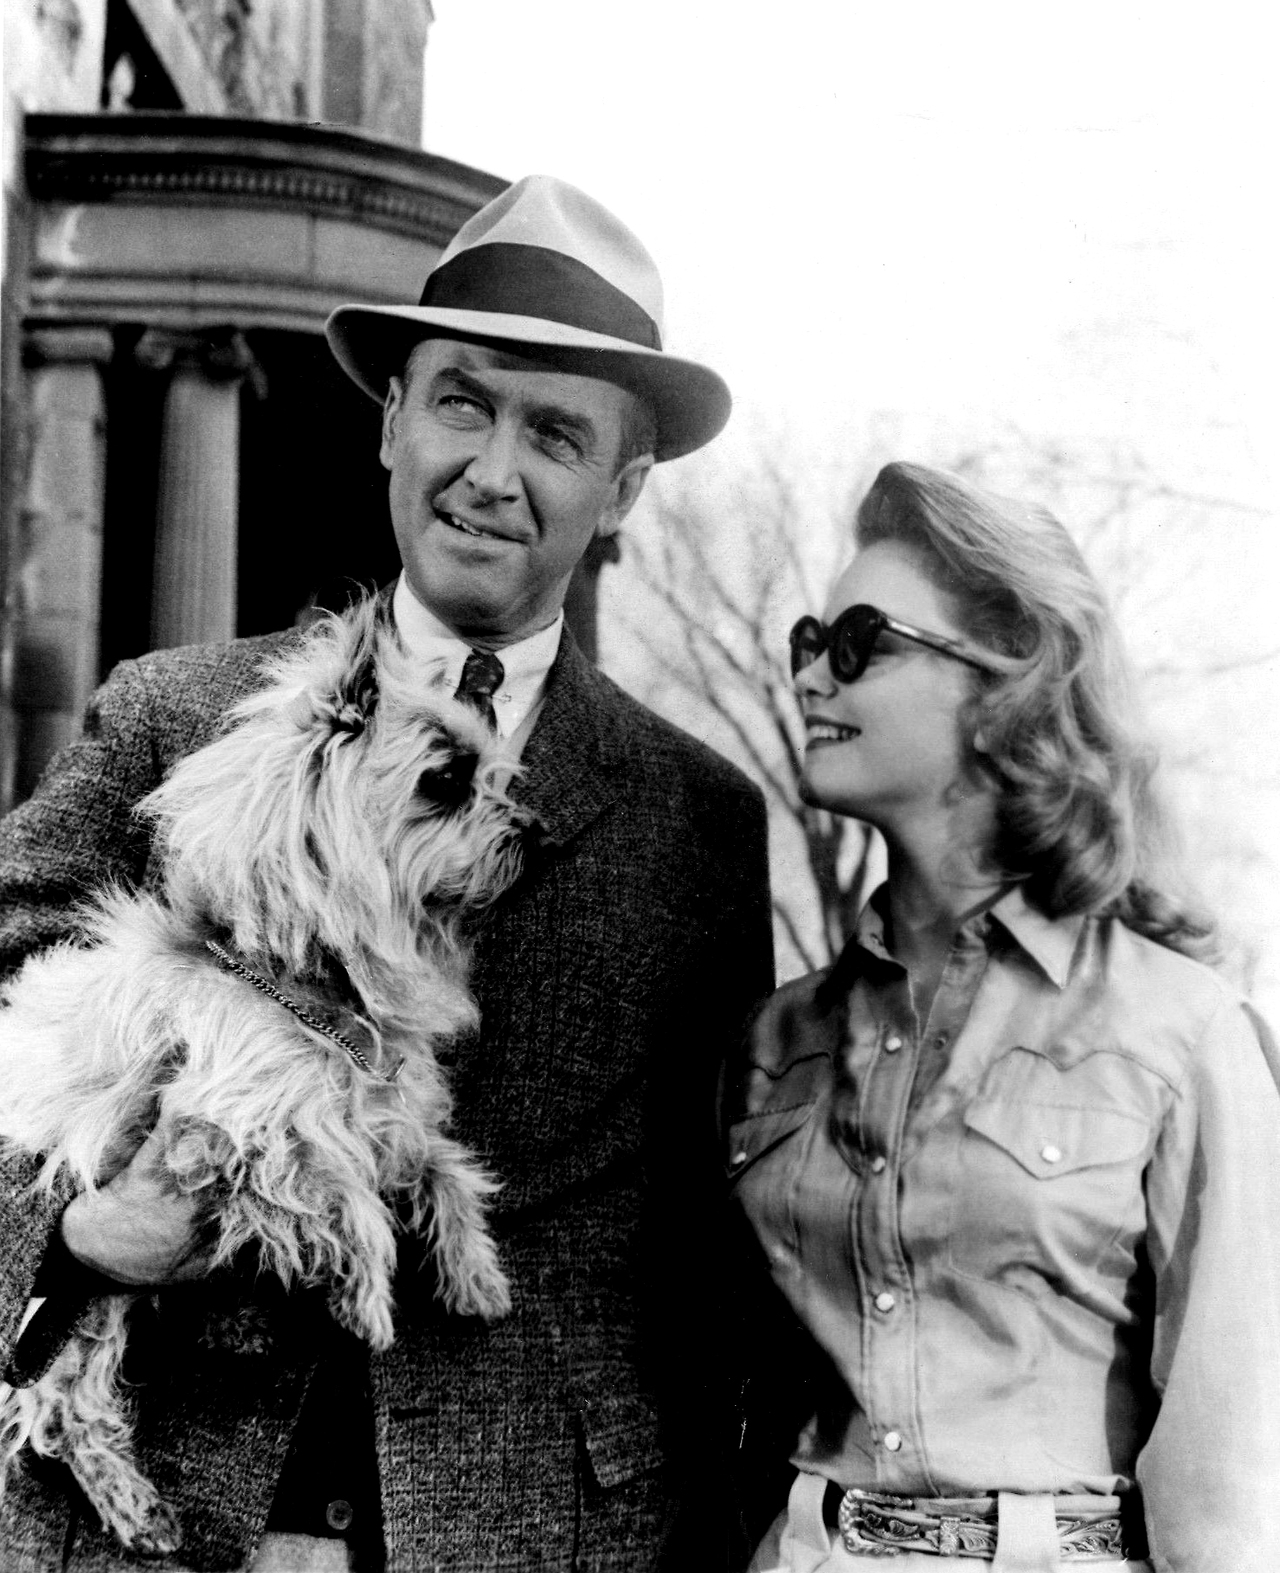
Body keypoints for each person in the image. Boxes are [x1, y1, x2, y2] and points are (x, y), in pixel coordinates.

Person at [0, 176, 775, 1572]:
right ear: (391, 422)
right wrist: (74, 1233)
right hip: (158, 1514)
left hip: (540, 1535)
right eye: (462, 403)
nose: (491, 469)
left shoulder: (699, 819)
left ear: (622, 492)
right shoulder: (178, 715)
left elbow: (705, 1228)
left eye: (556, 432)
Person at [726, 462, 1280, 1573]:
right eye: (807, 641)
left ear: (1004, 689)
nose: (811, 676)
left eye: (860, 642)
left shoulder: (1180, 1030)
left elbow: (1232, 1482)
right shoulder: (778, 1040)